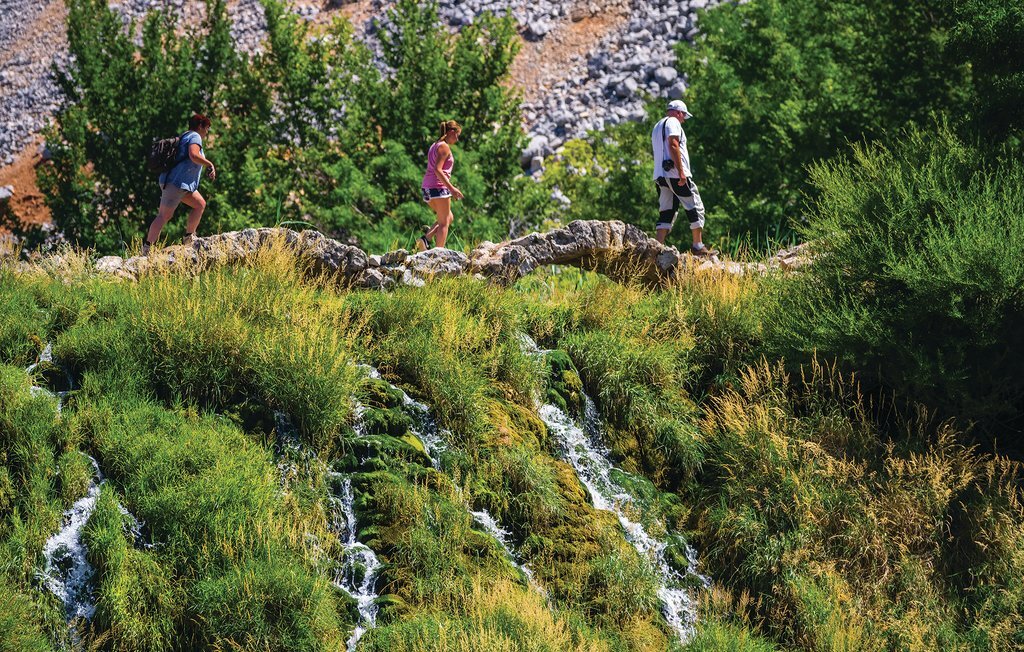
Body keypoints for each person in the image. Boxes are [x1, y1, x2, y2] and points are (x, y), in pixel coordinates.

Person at [143, 113, 217, 254]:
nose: (207, 131)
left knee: (200, 204)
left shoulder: (186, 136)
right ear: (200, 126)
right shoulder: (195, 136)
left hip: (182, 185)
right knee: (164, 216)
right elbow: (194, 155)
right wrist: (209, 164)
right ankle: (147, 249)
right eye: (207, 127)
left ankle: (189, 238)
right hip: (176, 184)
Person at [651, 100, 716, 256]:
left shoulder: (657, 125)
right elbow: (673, 144)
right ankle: (698, 246)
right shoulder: (673, 122)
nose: (683, 120)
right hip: (675, 174)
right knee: (695, 206)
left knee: (667, 210)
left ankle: (656, 247)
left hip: (660, 176)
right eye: (683, 116)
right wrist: (681, 172)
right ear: (679, 112)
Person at [416, 120, 463, 251]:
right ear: (451, 132)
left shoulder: (434, 145)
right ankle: (437, 254)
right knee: (444, 223)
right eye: (457, 135)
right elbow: (438, 170)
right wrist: (452, 189)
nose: (457, 139)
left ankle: (426, 239)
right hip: (438, 188)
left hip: (427, 188)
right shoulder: (444, 147)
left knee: (449, 217)